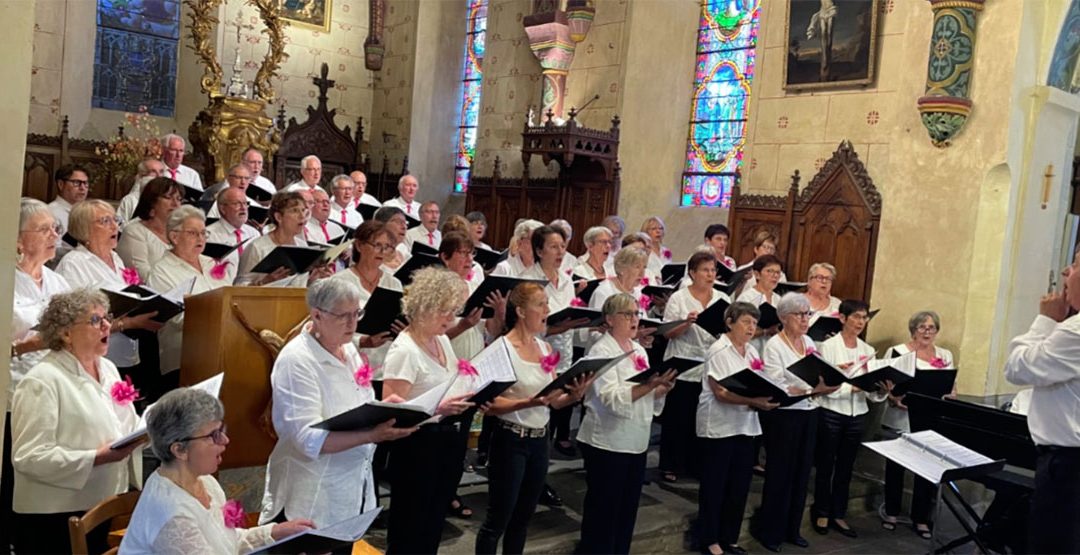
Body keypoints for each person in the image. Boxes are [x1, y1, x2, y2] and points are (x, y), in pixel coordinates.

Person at [259, 278, 415, 530]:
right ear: (317, 315)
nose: (353, 323)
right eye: (343, 315)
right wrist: (371, 435)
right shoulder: (297, 360)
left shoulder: (348, 349)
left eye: (357, 313)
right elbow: (307, 439)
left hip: (350, 489)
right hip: (312, 496)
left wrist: (386, 407)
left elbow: (359, 403)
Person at [10, 290, 145, 554]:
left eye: (107, 317)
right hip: (54, 517)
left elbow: (123, 423)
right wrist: (96, 457)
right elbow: (29, 457)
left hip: (104, 502)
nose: (107, 325)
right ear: (65, 333)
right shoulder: (42, 380)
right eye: (95, 320)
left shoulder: (108, 369)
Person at [120, 388, 313, 554]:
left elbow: (226, 542)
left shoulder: (204, 481)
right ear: (179, 450)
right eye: (213, 435)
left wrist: (275, 532)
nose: (225, 441)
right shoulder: (173, 515)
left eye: (222, 430)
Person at [475, 283, 592, 554]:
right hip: (510, 439)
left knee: (522, 519)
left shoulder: (543, 347)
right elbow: (489, 405)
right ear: (520, 311)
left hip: (539, 441)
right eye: (540, 304)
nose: (547, 310)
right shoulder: (501, 348)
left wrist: (574, 396)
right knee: (498, 519)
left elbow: (552, 399)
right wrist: (527, 402)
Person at [381, 267, 477, 554]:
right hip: (416, 446)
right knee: (410, 526)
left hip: (444, 441)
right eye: (445, 311)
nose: (451, 318)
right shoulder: (405, 350)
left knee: (433, 521)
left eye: (453, 310)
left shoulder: (441, 338)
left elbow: (449, 380)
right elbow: (391, 408)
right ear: (423, 307)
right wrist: (437, 408)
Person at [576, 293, 676, 554]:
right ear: (609, 319)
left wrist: (660, 389)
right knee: (604, 511)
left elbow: (645, 397)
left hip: (636, 440)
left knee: (627, 510)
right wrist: (647, 386)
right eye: (628, 314)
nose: (635, 319)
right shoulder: (601, 350)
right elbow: (611, 399)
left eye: (636, 313)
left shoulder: (638, 349)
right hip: (608, 440)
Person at [5, 199, 72, 550]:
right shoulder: (6, 279)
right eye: (44, 229)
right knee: (11, 474)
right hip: (14, 393)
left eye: (55, 229)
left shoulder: (58, 282)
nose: (54, 235)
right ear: (18, 239)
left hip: (55, 389)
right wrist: (23, 347)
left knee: (44, 474)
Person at [1004, 251, 1080, 555]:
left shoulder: (1074, 332)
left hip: (1068, 468)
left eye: (1075, 263)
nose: (1065, 272)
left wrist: (1046, 320)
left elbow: (1017, 368)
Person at [755, 294, 837, 552]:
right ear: (784, 317)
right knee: (780, 472)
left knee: (802, 473)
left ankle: (792, 529)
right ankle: (770, 531)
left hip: (809, 412)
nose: (805, 319)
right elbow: (778, 384)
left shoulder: (809, 341)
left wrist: (820, 385)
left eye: (807, 314)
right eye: (800, 314)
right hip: (785, 416)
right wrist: (810, 388)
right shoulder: (774, 346)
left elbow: (816, 373)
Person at [697, 302, 778, 555]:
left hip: (745, 426)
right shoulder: (719, 350)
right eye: (746, 322)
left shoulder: (752, 352)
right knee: (715, 486)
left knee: (738, 486)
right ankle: (709, 539)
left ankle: (729, 537)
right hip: (719, 427)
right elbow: (720, 392)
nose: (751, 327)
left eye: (754, 323)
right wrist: (754, 401)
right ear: (730, 322)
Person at [55, 200, 162, 377]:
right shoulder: (74, 263)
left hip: (126, 353)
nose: (115, 227)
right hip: (92, 359)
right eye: (105, 221)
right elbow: (73, 321)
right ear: (84, 229)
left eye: (116, 220)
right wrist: (127, 323)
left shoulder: (116, 258)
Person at [813, 299, 889, 538]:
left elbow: (871, 391)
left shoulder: (867, 351)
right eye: (855, 317)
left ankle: (839, 513)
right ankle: (821, 510)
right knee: (826, 464)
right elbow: (822, 385)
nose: (860, 322)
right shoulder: (827, 347)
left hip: (857, 414)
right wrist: (850, 388)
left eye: (864, 317)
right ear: (843, 318)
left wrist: (881, 391)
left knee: (847, 466)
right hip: (831, 411)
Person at [881, 310, 955, 538]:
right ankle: (891, 511)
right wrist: (894, 397)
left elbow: (951, 386)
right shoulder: (898, 352)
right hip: (901, 417)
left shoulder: (944, 355)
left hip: (929, 419)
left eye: (932, 328)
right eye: (922, 327)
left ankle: (921, 518)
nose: (927, 332)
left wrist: (950, 395)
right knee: (896, 467)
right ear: (913, 329)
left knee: (926, 469)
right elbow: (884, 383)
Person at [147, 206, 234, 400]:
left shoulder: (212, 264)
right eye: (193, 233)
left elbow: (230, 298)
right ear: (174, 236)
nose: (201, 238)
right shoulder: (161, 271)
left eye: (203, 233)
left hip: (224, 352)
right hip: (184, 360)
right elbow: (175, 318)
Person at [659, 251, 730, 483]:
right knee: (678, 417)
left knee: (701, 417)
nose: (710, 275)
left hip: (709, 365)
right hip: (682, 362)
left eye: (713, 270)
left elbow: (729, 331)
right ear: (692, 273)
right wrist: (686, 323)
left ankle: (694, 463)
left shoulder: (722, 298)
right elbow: (667, 333)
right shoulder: (679, 298)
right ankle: (670, 464)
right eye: (705, 270)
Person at [236, 191, 332, 286]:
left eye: (303, 210)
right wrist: (264, 282)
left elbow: (298, 286)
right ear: (278, 217)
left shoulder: (302, 246)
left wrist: (314, 279)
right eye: (295, 210)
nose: (302, 216)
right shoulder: (257, 247)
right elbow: (238, 287)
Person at [117, 177, 184, 281]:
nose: (175, 204)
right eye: (168, 197)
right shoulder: (134, 232)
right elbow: (143, 277)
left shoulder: (181, 233)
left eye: (179, 199)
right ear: (152, 201)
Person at [736, 254, 785, 354]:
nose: (774, 276)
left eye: (777, 272)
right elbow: (737, 330)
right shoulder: (746, 298)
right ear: (757, 274)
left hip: (772, 351)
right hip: (750, 349)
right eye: (769, 271)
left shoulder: (779, 300)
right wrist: (765, 332)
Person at [206, 187, 260, 269]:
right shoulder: (209, 235)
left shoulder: (254, 233)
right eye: (237, 204)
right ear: (223, 208)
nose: (243, 208)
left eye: (245, 203)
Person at [47, 164, 90, 260]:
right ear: (61, 184)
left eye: (85, 183)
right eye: (76, 183)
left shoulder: (88, 213)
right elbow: (53, 253)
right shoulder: (51, 213)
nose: (82, 188)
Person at [372, 206, 410, 271]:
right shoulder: (368, 255)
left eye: (405, 223)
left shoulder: (404, 252)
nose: (404, 227)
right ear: (382, 225)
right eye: (398, 222)